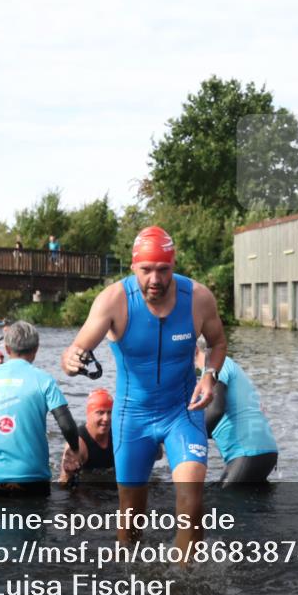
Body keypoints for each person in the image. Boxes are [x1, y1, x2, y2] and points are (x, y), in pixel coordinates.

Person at [60, 226, 227, 548]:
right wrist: (70, 360)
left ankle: (184, 587)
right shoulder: (113, 301)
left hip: (183, 411)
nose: (155, 279)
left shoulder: (198, 298)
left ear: (173, 265)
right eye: (146, 270)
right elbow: (77, 347)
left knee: (191, 503)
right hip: (132, 416)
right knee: (131, 518)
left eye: (163, 270)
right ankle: (132, 585)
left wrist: (209, 375)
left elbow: (218, 343)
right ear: (133, 266)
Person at [0, 321, 81, 497]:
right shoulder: (44, 380)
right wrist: (75, 450)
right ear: (36, 349)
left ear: (7, 349)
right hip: (32, 476)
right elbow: (67, 426)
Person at [194, 337, 279, 485]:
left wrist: (192, 436)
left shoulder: (214, 366)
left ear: (193, 350)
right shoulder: (226, 365)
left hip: (247, 453)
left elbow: (216, 410)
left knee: (225, 504)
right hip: (264, 451)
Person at [59, 388, 116, 484]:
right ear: (89, 414)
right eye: (100, 413)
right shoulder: (77, 443)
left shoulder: (118, 434)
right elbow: (63, 483)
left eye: (109, 412)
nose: (106, 418)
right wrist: (68, 473)